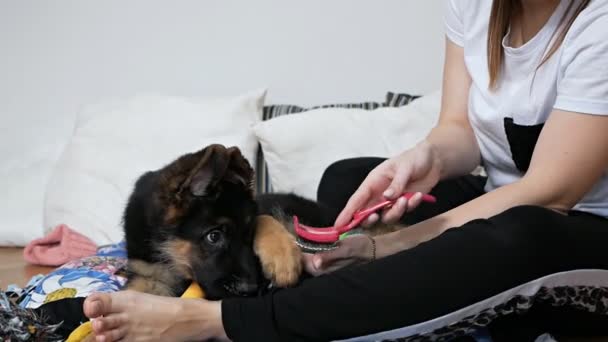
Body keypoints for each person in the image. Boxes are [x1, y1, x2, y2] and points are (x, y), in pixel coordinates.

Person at [83, 0, 608, 341]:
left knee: (518, 235)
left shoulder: (599, 25)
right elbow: (459, 128)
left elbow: (550, 191)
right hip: (507, 193)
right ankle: (388, 290)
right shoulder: (475, 5)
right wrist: (424, 158)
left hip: (578, 225)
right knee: (345, 178)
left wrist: (391, 245)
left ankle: (222, 323)